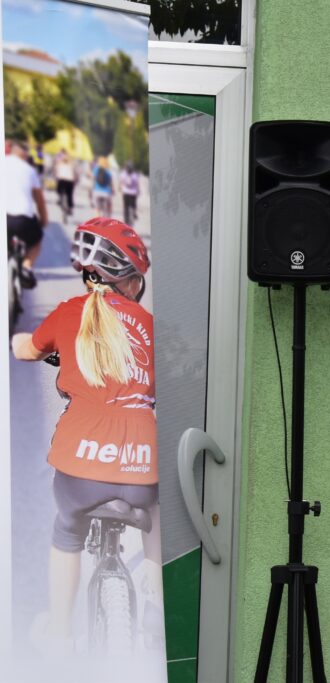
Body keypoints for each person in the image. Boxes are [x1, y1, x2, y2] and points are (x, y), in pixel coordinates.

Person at [12, 217, 160, 652]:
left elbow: (27, 350)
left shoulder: (68, 313)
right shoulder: (150, 325)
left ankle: (59, 632)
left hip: (80, 470)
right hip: (140, 469)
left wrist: (18, 339)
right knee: (155, 514)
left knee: (67, 532)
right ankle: (156, 609)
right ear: (128, 281)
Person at [4, 140, 48, 289]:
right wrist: (44, 220)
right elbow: (39, 200)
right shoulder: (29, 170)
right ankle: (26, 266)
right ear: (24, 154)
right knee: (36, 240)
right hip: (23, 219)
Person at [54, 150, 78, 223]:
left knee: (59, 191)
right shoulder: (72, 164)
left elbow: (56, 173)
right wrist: (75, 181)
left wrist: (56, 178)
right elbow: (75, 174)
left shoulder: (59, 163)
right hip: (69, 181)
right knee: (70, 194)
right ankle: (70, 207)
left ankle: (60, 200)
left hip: (61, 181)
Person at [119, 162, 140, 227]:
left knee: (126, 207)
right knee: (133, 205)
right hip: (133, 193)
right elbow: (137, 184)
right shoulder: (135, 175)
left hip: (126, 193)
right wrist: (138, 191)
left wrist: (120, 188)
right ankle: (134, 213)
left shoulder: (123, 174)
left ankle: (126, 222)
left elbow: (121, 182)